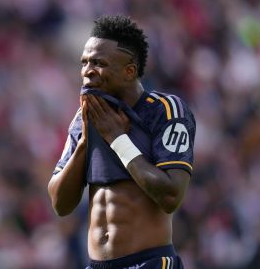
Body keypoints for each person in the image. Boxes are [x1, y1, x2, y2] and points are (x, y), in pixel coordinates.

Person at [48, 15, 196, 269]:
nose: (87, 71)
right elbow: (61, 204)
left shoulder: (166, 110)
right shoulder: (84, 119)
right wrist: (85, 142)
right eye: (84, 63)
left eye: (99, 63)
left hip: (149, 262)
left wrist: (117, 138)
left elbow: (172, 195)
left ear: (129, 71)